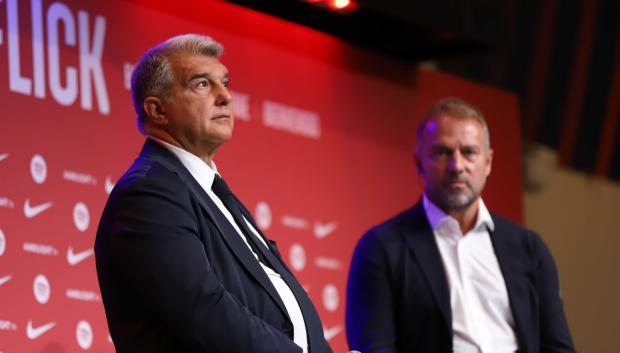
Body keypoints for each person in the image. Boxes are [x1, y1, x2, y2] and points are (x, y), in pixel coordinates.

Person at [95, 34, 333, 353]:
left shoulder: (213, 192)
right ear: (157, 110)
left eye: (224, 82)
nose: (225, 97)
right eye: (202, 85)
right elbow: (205, 313)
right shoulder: (148, 193)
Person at [345, 98, 576, 353]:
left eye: (469, 152)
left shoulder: (529, 248)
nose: (457, 166)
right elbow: (375, 347)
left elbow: (558, 347)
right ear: (419, 163)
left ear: (487, 163)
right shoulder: (381, 248)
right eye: (442, 153)